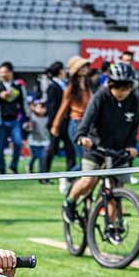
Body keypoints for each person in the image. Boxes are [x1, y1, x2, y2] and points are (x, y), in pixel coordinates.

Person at [61, 61, 139, 223]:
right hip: (96, 148)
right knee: (88, 181)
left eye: (126, 87)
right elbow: (85, 123)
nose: (122, 92)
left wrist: (132, 146)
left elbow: (134, 126)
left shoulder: (133, 100)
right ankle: (69, 202)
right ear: (110, 84)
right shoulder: (100, 97)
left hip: (119, 151)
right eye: (118, 87)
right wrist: (83, 137)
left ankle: (112, 227)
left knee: (115, 190)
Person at [51, 56, 93, 189]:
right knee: (85, 160)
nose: (85, 69)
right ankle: (68, 176)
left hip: (87, 124)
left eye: (86, 66)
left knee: (88, 159)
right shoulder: (71, 87)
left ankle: (73, 181)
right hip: (76, 124)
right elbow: (63, 107)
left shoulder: (87, 85)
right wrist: (55, 125)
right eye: (82, 66)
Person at [0, 61, 26, 174]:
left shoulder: (18, 86)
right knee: (0, 147)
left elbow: (23, 103)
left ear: (10, 72)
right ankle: (1, 168)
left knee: (18, 143)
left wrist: (27, 118)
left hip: (15, 120)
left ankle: (13, 165)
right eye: (0, 73)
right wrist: (0, 96)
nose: (2, 75)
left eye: (4, 72)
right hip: (0, 120)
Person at [41, 61, 72, 174]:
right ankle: (44, 174)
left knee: (70, 149)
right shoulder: (53, 86)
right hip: (57, 123)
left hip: (66, 121)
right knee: (52, 149)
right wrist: (54, 123)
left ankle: (71, 174)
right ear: (59, 72)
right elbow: (52, 107)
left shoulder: (64, 84)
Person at [25, 98, 50, 175]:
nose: (41, 110)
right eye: (39, 107)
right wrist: (27, 126)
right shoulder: (32, 117)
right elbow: (26, 126)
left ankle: (41, 172)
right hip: (34, 141)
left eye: (43, 107)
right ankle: (30, 166)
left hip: (44, 141)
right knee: (34, 156)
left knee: (42, 157)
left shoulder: (47, 118)